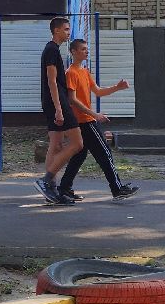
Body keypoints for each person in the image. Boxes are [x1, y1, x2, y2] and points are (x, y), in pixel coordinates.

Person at [57, 38, 136, 201]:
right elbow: (72, 99)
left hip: (85, 120)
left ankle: (64, 188)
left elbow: (98, 91)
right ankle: (117, 189)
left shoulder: (85, 71)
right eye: (83, 49)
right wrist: (94, 115)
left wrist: (117, 87)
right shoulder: (70, 73)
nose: (87, 51)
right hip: (84, 121)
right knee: (105, 153)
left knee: (79, 156)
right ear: (73, 52)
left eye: (87, 48)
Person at [34, 16, 82, 205]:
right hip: (57, 102)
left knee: (56, 146)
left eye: (69, 29)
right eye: (66, 29)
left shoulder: (52, 50)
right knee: (77, 143)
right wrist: (59, 109)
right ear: (56, 31)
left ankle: (50, 190)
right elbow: (51, 81)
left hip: (53, 103)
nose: (69, 32)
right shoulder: (52, 50)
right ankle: (46, 181)